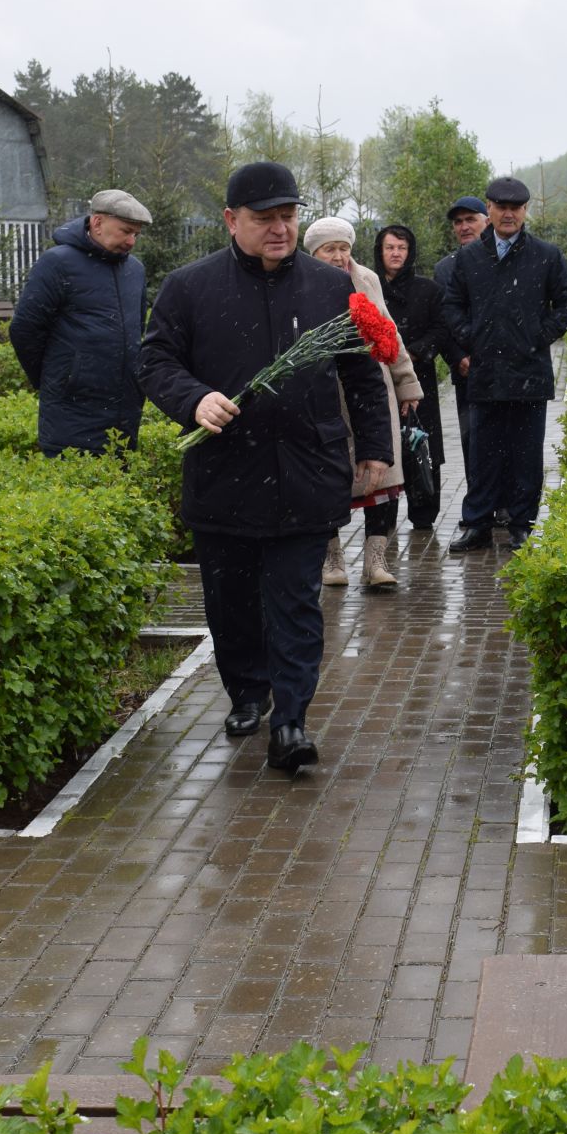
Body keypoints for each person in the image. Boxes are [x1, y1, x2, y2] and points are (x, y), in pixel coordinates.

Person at [136, 163, 391, 775]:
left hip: (307, 472)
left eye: (288, 215)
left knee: (297, 601)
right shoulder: (190, 287)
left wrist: (375, 448)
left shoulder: (329, 289)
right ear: (231, 220)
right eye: (263, 218)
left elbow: (359, 374)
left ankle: (292, 721)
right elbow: (154, 361)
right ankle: (248, 692)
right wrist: (193, 398)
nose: (279, 229)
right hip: (224, 474)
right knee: (231, 602)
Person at [439, 176, 567, 552]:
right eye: (500, 207)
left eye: (515, 208)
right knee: (482, 453)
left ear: (525, 211)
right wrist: (473, 337)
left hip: (529, 373)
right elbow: (451, 305)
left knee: (525, 453)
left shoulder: (546, 256)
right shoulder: (469, 258)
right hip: (485, 374)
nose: (508, 214)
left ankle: (522, 523)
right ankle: (477, 525)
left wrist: (537, 335)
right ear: (489, 209)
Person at [301, 217, 422, 590]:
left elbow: (388, 331)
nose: (338, 257)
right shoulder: (302, 282)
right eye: (329, 249)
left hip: (372, 389)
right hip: (325, 392)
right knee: (326, 476)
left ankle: (376, 561)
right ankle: (332, 558)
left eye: (344, 248)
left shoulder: (367, 279)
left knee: (382, 474)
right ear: (313, 253)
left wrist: (407, 384)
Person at [10, 189, 152, 456]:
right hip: (72, 410)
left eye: (137, 234)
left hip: (125, 409)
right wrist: (61, 377)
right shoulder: (57, 263)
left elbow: (136, 330)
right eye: (125, 231)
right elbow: (25, 329)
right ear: (97, 223)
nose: (132, 241)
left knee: (119, 489)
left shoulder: (135, 270)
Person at [375, 224, 446, 531]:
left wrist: (413, 353)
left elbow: (441, 330)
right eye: (390, 247)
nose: (395, 253)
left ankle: (424, 512)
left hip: (420, 378)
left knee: (422, 444)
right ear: (380, 251)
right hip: (378, 380)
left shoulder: (428, 290)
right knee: (385, 446)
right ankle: (382, 516)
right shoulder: (368, 286)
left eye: (401, 248)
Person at [433, 196, 488, 474]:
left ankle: (506, 506)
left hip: (503, 367)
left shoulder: (501, 259)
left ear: (486, 221)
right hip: (466, 369)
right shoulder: (444, 268)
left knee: (505, 438)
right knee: (471, 439)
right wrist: (458, 357)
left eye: (471, 219)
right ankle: (477, 503)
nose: (464, 226)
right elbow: (441, 320)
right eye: (458, 222)